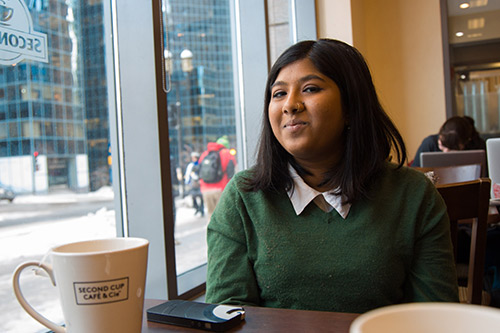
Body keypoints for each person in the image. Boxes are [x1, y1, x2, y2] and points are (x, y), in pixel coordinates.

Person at [205, 39, 458, 313]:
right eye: (278, 94)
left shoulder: (413, 195)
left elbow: (436, 316)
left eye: (310, 89)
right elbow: (227, 314)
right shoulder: (243, 198)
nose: (290, 105)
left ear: (351, 106)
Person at [411, 116, 486, 166]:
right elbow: (414, 175)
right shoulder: (429, 144)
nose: (446, 152)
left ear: (465, 142)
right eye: (442, 145)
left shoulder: (478, 147)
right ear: (440, 135)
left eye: (451, 148)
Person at [198, 135, 236, 217]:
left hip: (206, 190)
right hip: (221, 189)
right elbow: (231, 175)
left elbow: (199, 171)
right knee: (222, 217)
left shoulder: (205, 154)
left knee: (211, 216)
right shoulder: (227, 154)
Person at [184, 152, 204, 216]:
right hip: (193, 183)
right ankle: (197, 208)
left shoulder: (200, 164)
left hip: (199, 183)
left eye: (194, 157)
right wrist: (187, 181)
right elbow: (188, 173)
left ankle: (201, 209)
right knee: (193, 196)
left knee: (201, 197)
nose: (193, 158)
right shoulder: (191, 165)